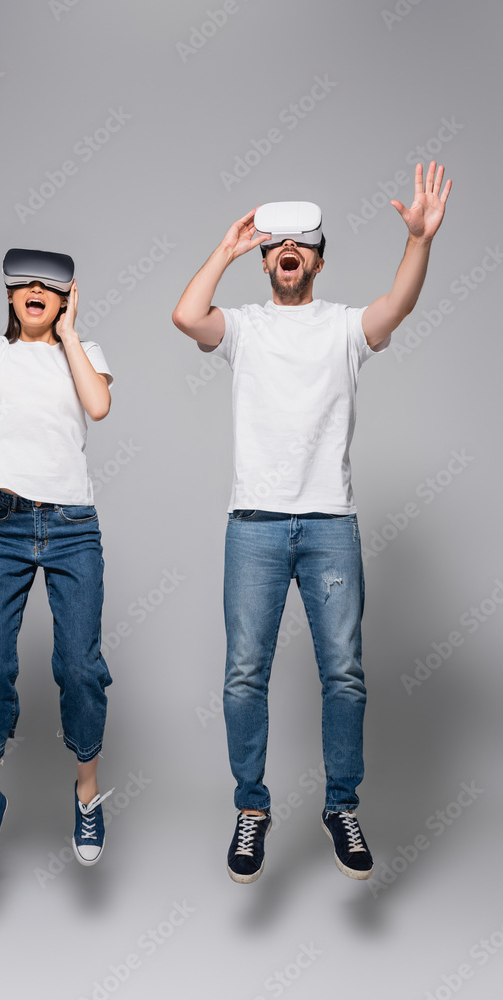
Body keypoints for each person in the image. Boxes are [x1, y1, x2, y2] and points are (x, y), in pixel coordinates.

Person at [172, 162, 451, 883]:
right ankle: (251, 808)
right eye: (275, 245)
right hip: (255, 525)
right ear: (266, 260)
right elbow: (184, 316)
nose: (287, 251)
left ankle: (339, 806)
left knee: (344, 676)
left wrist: (417, 240)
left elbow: (397, 305)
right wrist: (225, 249)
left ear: (317, 260)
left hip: (328, 522)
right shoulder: (242, 327)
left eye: (301, 244)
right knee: (243, 676)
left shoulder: (344, 328)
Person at [0, 147, 115, 877]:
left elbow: (96, 405)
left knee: (79, 667)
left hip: (73, 530)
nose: (36, 289)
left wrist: (71, 333)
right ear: (10, 298)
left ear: (65, 299)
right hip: (4, 528)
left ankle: (88, 793)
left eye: (51, 285)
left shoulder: (83, 349)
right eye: (24, 283)